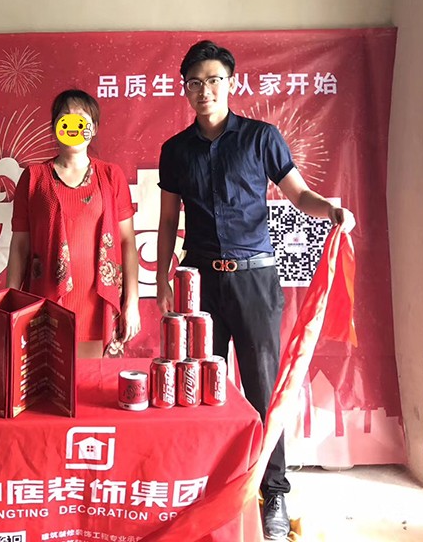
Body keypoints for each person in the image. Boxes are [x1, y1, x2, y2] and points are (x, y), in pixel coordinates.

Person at [156, 41, 355, 540]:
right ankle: (207, 488)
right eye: (195, 82)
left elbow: (299, 194)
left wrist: (332, 210)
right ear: (185, 89)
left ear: (231, 83)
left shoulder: (261, 138)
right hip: (198, 281)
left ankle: (275, 492)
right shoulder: (175, 150)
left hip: (254, 279)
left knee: (262, 389)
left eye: (213, 80)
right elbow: (167, 220)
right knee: (200, 388)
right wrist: (162, 279)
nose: (204, 90)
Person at [6, 89, 140, 358]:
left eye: (82, 118)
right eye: (65, 117)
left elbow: (127, 242)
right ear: (54, 126)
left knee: (94, 378)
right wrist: (10, 301)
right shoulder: (33, 177)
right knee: (49, 378)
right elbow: (20, 245)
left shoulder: (111, 175)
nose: (73, 125)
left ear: (94, 128)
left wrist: (132, 302)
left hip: (99, 301)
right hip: (46, 299)